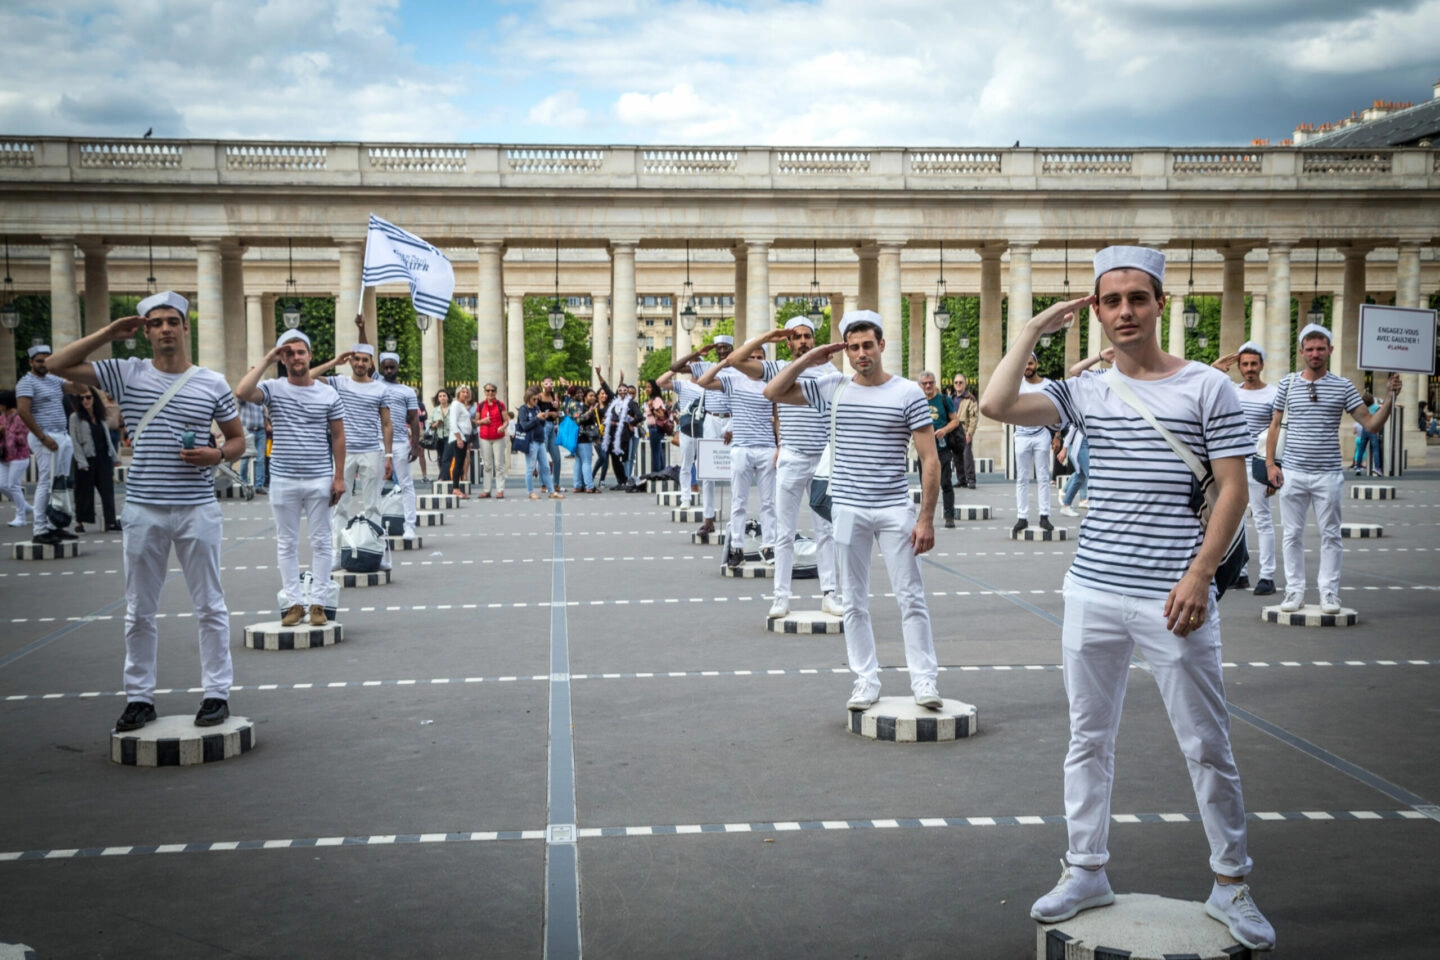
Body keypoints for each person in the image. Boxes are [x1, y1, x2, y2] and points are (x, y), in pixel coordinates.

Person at [980, 246, 1274, 951]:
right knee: (1088, 738)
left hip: (1173, 595)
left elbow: (1233, 487)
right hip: (1091, 590)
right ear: (1097, 310)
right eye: (1110, 302)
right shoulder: (1086, 390)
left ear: (1160, 305)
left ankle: (1232, 883)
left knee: (1206, 744)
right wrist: (1033, 330)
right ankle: (1086, 870)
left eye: (1136, 299)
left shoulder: (1207, 387)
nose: (1123, 313)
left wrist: (1201, 573)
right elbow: (995, 403)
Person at [46, 291, 246, 732]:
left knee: (210, 605)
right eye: (155, 323)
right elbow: (56, 365)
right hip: (143, 507)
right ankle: (139, 697)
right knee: (138, 609)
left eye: (172, 321)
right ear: (147, 331)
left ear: (185, 327)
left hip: (197, 508)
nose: (164, 329)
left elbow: (237, 440)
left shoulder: (212, 382)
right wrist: (108, 333)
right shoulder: (123, 372)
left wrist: (216, 456)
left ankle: (217, 693)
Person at [764, 310, 943, 712]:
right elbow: (772, 392)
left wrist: (926, 517)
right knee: (855, 603)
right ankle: (865, 680)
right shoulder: (832, 387)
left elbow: (929, 459)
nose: (861, 353)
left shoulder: (908, 392)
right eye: (853, 347)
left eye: (867, 345)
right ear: (845, 351)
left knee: (911, 597)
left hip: (895, 508)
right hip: (847, 509)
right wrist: (810, 359)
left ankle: (925, 679)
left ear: (881, 345)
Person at [1266, 324, 1399, 615]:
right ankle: (1294, 590)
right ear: (1301, 351)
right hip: (1293, 472)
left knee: (1331, 535)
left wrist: (1390, 398)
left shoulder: (1343, 387)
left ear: (1330, 351)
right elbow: (1274, 425)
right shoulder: (1287, 384)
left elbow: (1371, 425)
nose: (1315, 353)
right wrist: (1271, 464)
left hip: (1328, 473)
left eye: (1320, 348)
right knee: (1291, 534)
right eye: (1310, 348)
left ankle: (1329, 592)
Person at [715, 318, 843, 617]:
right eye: (796, 337)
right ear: (788, 343)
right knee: (784, 533)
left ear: (814, 339)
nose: (802, 341)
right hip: (792, 456)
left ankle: (830, 593)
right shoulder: (778, 368)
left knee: (825, 530)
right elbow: (734, 360)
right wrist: (768, 335)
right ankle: (780, 597)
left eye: (807, 336)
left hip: (823, 457)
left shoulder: (832, 372)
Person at [236, 329, 346, 628]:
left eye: (300, 352)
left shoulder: (328, 393)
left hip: (319, 477)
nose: (296, 357)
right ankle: (294, 603)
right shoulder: (272, 388)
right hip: (283, 477)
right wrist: (269, 356)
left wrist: (339, 477)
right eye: (289, 353)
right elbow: (242, 392)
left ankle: (319, 604)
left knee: (322, 541)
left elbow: (338, 436)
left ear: (309, 356)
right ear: (283, 359)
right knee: (286, 542)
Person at [309, 341, 394, 565]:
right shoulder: (339, 382)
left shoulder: (380, 389)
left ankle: (376, 551)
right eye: (356, 359)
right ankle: (338, 553)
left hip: (371, 451)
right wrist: (334, 362)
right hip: (344, 452)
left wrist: (388, 455)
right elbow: (308, 376)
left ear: (370, 363)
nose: (359, 363)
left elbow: (387, 423)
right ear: (350, 361)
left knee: (373, 504)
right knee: (339, 505)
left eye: (364, 360)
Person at [697, 343, 778, 567]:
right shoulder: (734, 380)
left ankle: (769, 546)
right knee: (738, 501)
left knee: (769, 502)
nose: (754, 360)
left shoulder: (773, 380)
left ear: (765, 360)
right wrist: (725, 362)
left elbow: (777, 414)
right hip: (741, 448)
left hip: (766, 447)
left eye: (759, 357)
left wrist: (780, 445)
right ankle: (737, 547)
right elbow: (703, 382)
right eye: (749, 356)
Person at [1212, 343, 1277, 595]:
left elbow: (1277, 432)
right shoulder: (1232, 391)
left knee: (1262, 520)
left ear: (1261, 365)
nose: (1250, 369)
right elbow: (1204, 389)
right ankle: (1240, 572)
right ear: (1239, 367)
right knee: (1236, 521)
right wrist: (1214, 369)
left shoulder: (1273, 393)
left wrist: (1273, 469)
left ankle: (1267, 576)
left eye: (1254, 364)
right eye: (1245, 364)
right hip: (1233, 465)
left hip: (1259, 464)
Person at [16, 343, 88, 544]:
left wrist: (66, 368)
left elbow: (81, 389)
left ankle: (54, 525)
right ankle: (40, 529)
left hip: (62, 436)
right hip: (45, 437)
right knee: (46, 483)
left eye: (47, 360)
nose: (43, 364)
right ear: (31, 362)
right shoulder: (26, 382)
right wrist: (42, 437)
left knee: (60, 483)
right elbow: (23, 411)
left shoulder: (54, 379)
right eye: (39, 361)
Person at [671, 336, 734, 535]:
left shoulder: (740, 367)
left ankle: (735, 519)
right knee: (707, 472)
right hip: (711, 419)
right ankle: (708, 519)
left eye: (726, 347)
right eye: (719, 348)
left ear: (732, 348)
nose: (722, 350)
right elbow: (676, 367)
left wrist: (732, 425)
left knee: (737, 471)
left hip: (733, 419)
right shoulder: (707, 366)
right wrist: (697, 352)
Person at [378, 350, 421, 538]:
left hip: (401, 442)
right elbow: (365, 351)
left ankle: (409, 525)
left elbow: (413, 418)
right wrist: (362, 328)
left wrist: (415, 445)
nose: (388, 370)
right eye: (385, 367)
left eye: (391, 367)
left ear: (397, 368)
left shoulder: (407, 391)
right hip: (378, 441)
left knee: (406, 484)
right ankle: (375, 525)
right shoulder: (374, 384)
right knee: (375, 485)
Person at [1012, 352, 1055, 535]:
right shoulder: (1016, 386)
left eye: (1030, 364)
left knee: (1043, 476)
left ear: (1036, 364)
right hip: (1021, 434)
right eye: (1024, 364)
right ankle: (1022, 517)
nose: (1027, 367)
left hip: (1041, 433)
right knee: (1022, 478)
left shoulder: (1048, 385)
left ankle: (1044, 515)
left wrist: (1058, 434)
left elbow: (1056, 408)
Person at [68, 386, 119, 533]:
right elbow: (75, 441)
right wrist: (81, 461)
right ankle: (79, 522)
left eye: (88, 397)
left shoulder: (100, 416)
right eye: (82, 398)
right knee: (83, 492)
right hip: (86, 458)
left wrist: (114, 457)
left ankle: (111, 521)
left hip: (103, 457)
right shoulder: (75, 417)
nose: (85, 401)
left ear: (94, 399)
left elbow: (107, 438)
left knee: (107, 491)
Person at [919, 371, 961, 528]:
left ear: (935, 383)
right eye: (925, 383)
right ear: (920, 385)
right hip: (923, 450)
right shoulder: (917, 400)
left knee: (946, 483)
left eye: (931, 382)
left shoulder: (944, 400)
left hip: (942, 448)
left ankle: (949, 516)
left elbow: (955, 421)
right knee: (925, 485)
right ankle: (924, 517)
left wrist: (944, 429)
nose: (928, 386)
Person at [518, 386, 563, 500]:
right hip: (531, 441)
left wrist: (543, 419)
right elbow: (524, 426)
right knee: (530, 467)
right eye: (534, 399)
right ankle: (531, 491)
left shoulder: (537, 408)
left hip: (540, 440)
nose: (536, 401)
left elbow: (541, 424)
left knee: (546, 467)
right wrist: (537, 419)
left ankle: (551, 491)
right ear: (528, 398)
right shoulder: (524, 409)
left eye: (537, 399)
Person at [0, 389, 33, 527]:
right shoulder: (2, 417)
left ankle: (21, 516)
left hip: (19, 456)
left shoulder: (19, 417)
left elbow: (22, 439)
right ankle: (26, 507)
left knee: (14, 485)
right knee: (2, 485)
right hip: (4, 456)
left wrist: (6, 431)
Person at [475, 383, 511, 498]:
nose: (490, 393)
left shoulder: (500, 405)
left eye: (492, 390)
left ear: (496, 392)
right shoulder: (480, 405)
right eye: (488, 390)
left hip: (498, 438)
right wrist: (483, 421)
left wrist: (503, 427)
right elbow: (476, 421)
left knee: (499, 465)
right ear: (484, 392)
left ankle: (500, 489)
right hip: (485, 437)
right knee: (487, 465)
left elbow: (506, 420)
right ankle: (487, 490)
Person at [948, 373, 979, 489]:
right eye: (956, 382)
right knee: (956, 457)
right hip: (953, 430)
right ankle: (961, 480)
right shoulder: (950, 398)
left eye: (961, 382)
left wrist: (969, 433)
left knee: (967, 455)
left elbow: (974, 418)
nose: (958, 384)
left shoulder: (970, 399)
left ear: (965, 384)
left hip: (964, 430)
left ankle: (971, 479)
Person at [443, 386, 474, 494]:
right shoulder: (456, 405)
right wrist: (459, 438)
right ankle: (456, 488)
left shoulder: (461, 405)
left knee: (460, 463)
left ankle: (457, 487)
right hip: (459, 437)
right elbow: (453, 422)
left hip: (463, 437)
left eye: (467, 392)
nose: (465, 394)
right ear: (458, 393)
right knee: (458, 463)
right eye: (463, 392)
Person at [237, 395, 269, 493]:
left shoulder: (260, 402)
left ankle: (259, 486)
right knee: (245, 458)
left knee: (260, 459)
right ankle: (244, 483)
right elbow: (240, 395)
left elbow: (264, 416)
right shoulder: (244, 400)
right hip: (247, 431)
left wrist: (267, 425)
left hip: (260, 431)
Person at [571, 388, 600, 493]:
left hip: (579, 438)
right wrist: (590, 411)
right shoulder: (583, 407)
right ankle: (589, 486)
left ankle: (577, 485)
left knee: (579, 461)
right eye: (590, 395)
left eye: (594, 396)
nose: (593, 397)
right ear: (585, 397)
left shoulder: (585, 407)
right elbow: (579, 419)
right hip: (583, 438)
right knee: (587, 461)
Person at [538, 376, 564, 491]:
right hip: (542, 427)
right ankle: (543, 484)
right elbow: (536, 414)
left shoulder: (555, 396)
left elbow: (559, 413)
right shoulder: (539, 397)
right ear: (542, 384)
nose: (549, 385)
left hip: (553, 427)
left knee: (557, 458)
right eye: (547, 383)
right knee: (543, 456)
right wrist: (549, 414)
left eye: (551, 383)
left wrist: (557, 409)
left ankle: (556, 483)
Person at [645, 379, 670, 471]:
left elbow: (661, 415)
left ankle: (656, 473)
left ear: (654, 388)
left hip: (656, 428)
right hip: (653, 428)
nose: (647, 389)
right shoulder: (651, 399)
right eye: (646, 387)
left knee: (655, 452)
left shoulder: (656, 400)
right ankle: (661, 472)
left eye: (649, 387)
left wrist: (651, 408)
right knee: (658, 452)